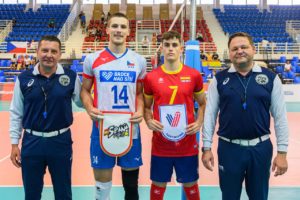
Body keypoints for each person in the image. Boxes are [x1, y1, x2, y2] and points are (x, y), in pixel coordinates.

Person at [201, 32, 289, 200]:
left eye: (244, 47)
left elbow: (280, 118)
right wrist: (206, 148)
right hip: (229, 149)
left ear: (253, 49)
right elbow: (210, 115)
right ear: (230, 53)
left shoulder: (271, 78)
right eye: (234, 48)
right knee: (229, 196)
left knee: (259, 196)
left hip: (261, 148)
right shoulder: (219, 80)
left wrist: (282, 152)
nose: (239, 51)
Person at [80, 12, 147, 200]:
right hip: (102, 126)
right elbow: (85, 90)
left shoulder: (139, 61)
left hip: (130, 127)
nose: (118, 30)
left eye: (123, 26)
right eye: (115, 26)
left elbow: (139, 93)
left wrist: (140, 110)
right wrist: (88, 107)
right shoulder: (92, 59)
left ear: (128, 32)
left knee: (131, 188)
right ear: (107, 29)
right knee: (102, 189)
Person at [9, 35, 82, 200]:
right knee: (32, 194)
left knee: (63, 193)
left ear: (59, 55)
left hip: (60, 141)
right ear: (37, 52)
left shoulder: (71, 77)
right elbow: (16, 112)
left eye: (53, 51)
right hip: (31, 142)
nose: (49, 55)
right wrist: (14, 143)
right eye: (45, 50)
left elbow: (82, 101)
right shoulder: (23, 79)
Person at [143, 30, 206, 200]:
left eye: (174, 45)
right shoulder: (151, 77)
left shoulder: (193, 75)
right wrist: (148, 120)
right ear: (162, 48)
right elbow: (147, 107)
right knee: (158, 184)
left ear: (181, 48)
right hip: (161, 142)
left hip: (187, 142)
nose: (171, 49)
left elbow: (202, 103)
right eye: (167, 45)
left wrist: (199, 121)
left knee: (191, 183)